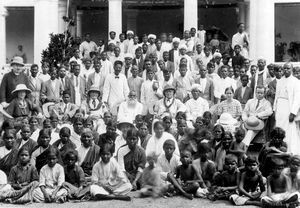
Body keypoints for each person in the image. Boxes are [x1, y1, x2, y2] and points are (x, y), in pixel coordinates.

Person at [274, 62, 300, 155]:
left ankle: (290, 150)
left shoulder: (296, 82)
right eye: (284, 68)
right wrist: (274, 109)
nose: (286, 70)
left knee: (289, 129)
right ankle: (279, 149)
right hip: (280, 107)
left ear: (292, 70)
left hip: (289, 108)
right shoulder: (280, 81)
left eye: (288, 68)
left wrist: (293, 113)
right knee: (279, 128)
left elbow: (297, 99)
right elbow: (276, 96)